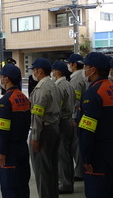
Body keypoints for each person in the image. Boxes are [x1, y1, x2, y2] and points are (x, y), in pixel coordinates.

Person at [77, 52, 113, 197]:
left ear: (94, 70)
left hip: (99, 154)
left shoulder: (93, 94)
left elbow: (87, 130)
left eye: (86, 66)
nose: (84, 70)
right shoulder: (110, 87)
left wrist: (85, 157)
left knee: (97, 191)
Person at [0, 64, 31, 198]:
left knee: (10, 188)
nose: (1, 79)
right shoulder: (24, 98)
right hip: (23, 146)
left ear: (6, 79)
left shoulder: (5, 102)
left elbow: (3, 130)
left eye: (2, 77)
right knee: (23, 185)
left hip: (10, 151)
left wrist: (2, 151)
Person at [29, 57, 61, 198]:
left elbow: (37, 115)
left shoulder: (41, 88)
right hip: (54, 127)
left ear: (39, 71)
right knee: (52, 168)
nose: (33, 73)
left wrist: (35, 137)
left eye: (34, 70)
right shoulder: (53, 85)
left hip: (44, 131)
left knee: (42, 170)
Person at [51, 61, 75, 194]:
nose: (52, 73)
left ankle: (65, 184)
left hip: (62, 122)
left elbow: (57, 107)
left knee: (62, 154)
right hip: (69, 120)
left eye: (53, 71)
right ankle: (69, 181)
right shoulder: (68, 84)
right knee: (68, 153)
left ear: (58, 72)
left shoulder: (59, 86)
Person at [66, 53, 87, 181]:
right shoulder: (83, 76)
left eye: (69, 63)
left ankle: (79, 171)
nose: (68, 66)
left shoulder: (75, 79)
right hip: (83, 113)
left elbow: (75, 100)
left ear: (74, 65)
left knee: (76, 144)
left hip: (78, 115)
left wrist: (74, 118)